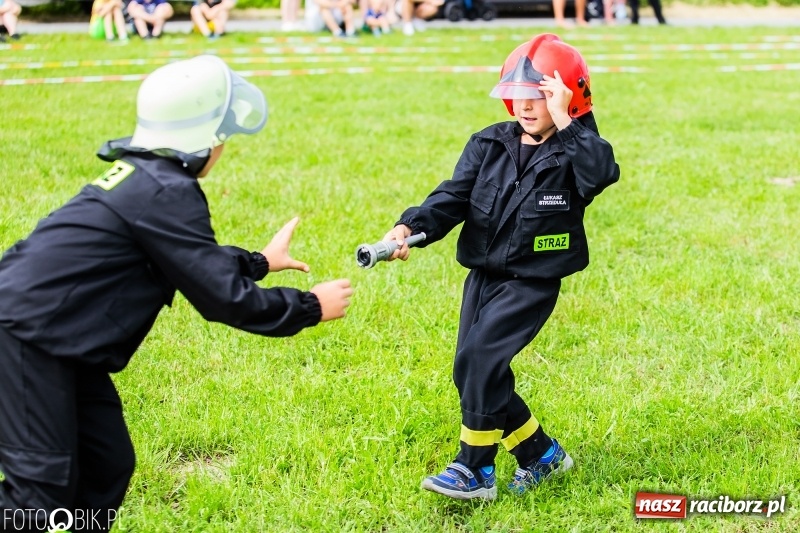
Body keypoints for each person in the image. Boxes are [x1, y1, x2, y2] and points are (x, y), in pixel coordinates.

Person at [0, 55, 353, 530]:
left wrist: (261, 262)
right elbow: (223, 299)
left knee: (106, 464)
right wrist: (311, 306)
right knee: (40, 493)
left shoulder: (144, 177)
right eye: (222, 138)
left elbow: (186, 259)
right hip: (23, 339)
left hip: (58, 341)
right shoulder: (166, 190)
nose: (224, 148)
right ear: (202, 139)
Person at [379, 34, 619, 500]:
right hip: (484, 276)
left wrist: (569, 121)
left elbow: (601, 172)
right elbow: (452, 197)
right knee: (469, 371)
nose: (525, 106)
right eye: (519, 95)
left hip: (532, 281)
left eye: (540, 96)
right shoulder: (489, 143)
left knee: (481, 361)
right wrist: (408, 227)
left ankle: (475, 470)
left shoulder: (577, 151)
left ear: (566, 96)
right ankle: (540, 454)